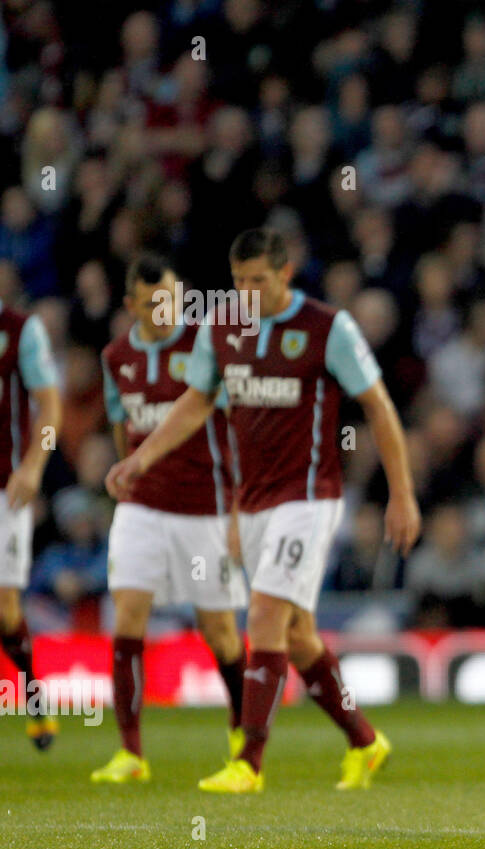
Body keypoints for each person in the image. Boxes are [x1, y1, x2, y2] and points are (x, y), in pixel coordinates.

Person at [106, 228, 420, 793]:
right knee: (298, 636)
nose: (247, 291)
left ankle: (248, 761)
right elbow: (196, 401)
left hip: (307, 498)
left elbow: (378, 405)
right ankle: (366, 741)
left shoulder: (327, 328)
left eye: (258, 280)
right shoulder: (222, 327)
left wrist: (401, 494)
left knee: (265, 616)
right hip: (251, 503)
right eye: (239, 281)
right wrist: (140, 459)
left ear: (285, 274)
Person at [90, 252, 248, 784]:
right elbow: (122, 431)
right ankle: (131, 752)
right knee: (128, 614)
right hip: (142, 507)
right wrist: (129, 476)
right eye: (155, 302)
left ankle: (243, 738)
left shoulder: (207, 345)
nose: (167, 309)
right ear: (132, 304)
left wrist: (240, 506)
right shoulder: (116, 358)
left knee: (220, 631)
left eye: (174, 298)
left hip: (205, 506)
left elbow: (239, 425)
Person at [0, 293, 61, 749]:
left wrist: (34, 466)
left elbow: (49, 407)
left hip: (8, 490)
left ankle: (34, 697)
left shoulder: (22, 331)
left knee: (5, 609)